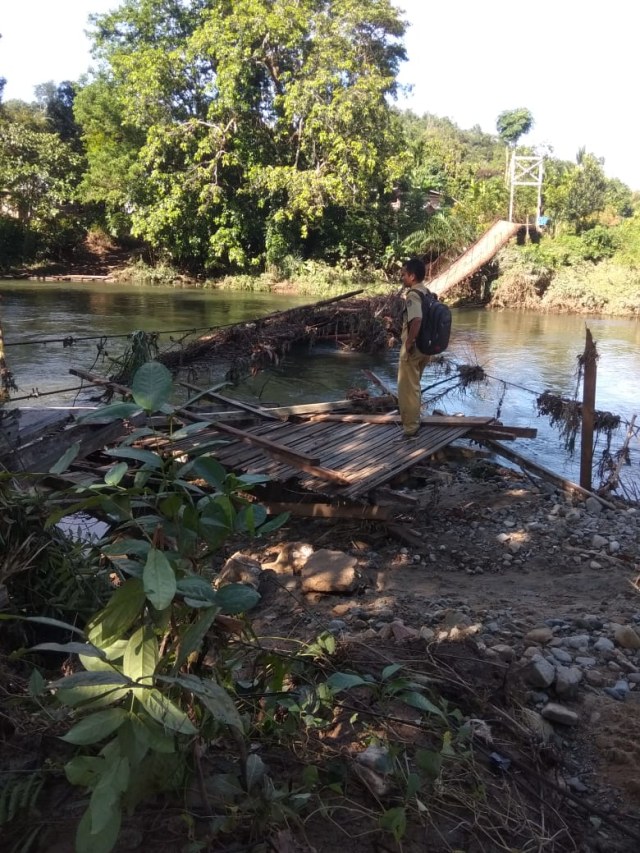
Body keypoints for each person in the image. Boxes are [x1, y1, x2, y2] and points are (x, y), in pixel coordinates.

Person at [397, 257, 431, 438]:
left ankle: (410, 429)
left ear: (412, 276)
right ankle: (415, 421)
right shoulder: (427, 292)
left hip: (414, 348)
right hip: (426, 348)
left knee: (407, 391)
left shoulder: (412, 295)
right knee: (415, 386)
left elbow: (416, 319)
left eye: (404, 274)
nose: (402, 277)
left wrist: (408, 343)